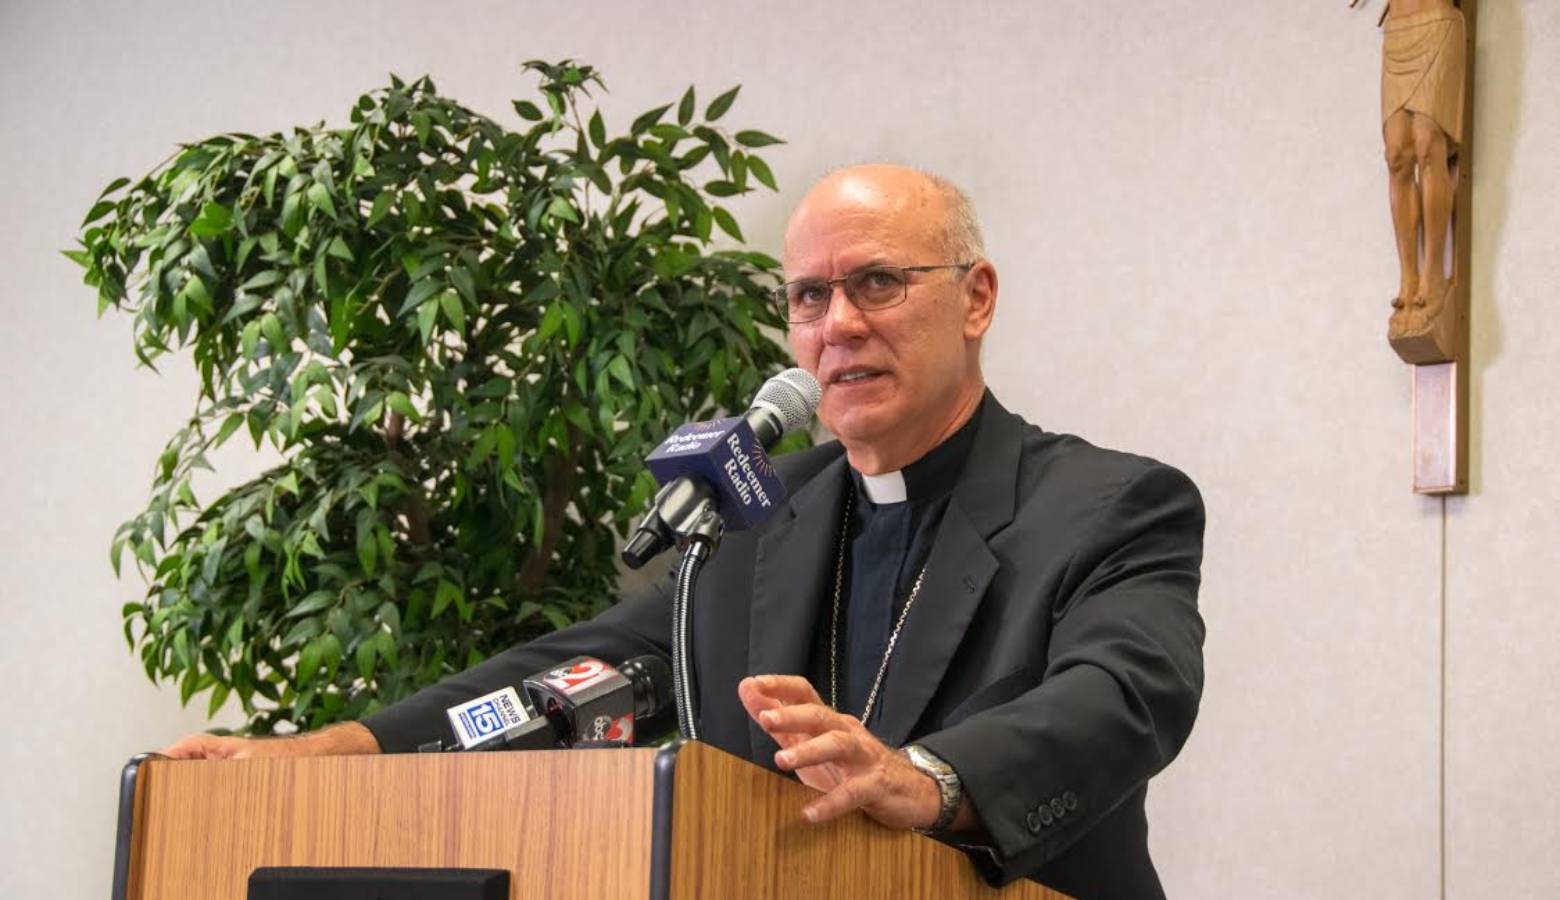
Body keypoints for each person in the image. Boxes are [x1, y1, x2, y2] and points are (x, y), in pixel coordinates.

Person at [163, 163, 1206, 900]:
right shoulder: (757, 521)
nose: (838, 323)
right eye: (810, 295)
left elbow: (1124, 697)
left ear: (975, 298)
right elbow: (570, 683)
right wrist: (333, 752)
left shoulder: (1107, 504)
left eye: (878, 281)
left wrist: (925, 780)